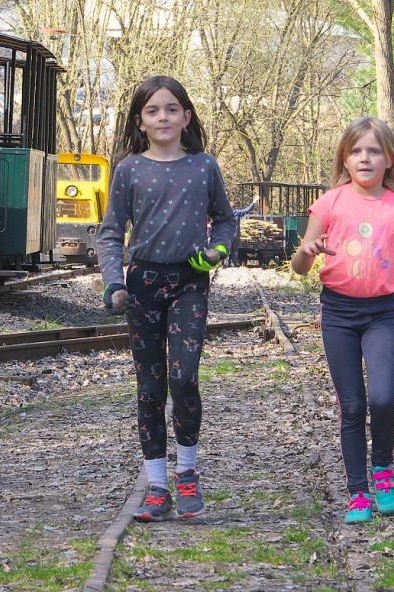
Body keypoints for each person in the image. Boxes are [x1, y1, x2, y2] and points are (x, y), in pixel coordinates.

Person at [96, 75, 237, 522]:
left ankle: (188, 473)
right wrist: (113, 282)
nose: (163, 117)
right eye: (153, 110)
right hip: (141, 287)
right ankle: (157, 486)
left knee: (183, 377)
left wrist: (218, 250)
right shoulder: (129, 170)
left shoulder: (203, 167)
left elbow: (226, 221)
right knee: (151, 388)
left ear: (186, 117)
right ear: (140, 121)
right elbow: (110, 233)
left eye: (171, 109)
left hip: (189, 283)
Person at [290, 116, 394, 524]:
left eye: (373, 151)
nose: (364, 158)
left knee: (382, 398)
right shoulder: (330, 203)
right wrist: (309, 249)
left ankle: (384, 471)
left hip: (380, 316)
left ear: (389, 159)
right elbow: (300, 265)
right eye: (356, 151)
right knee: (352, 405)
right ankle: (358, 491)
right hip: (337, 314)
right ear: (345, 158)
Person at [227, 194, 259, 265]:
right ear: (235, 207)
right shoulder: (237, 213)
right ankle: (234, 263)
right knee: (235, 249)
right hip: (236, 234)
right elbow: (246, 210)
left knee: (227, 249)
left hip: (228, 234)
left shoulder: (226, 213)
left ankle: (225, 264)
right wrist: (254, 202)